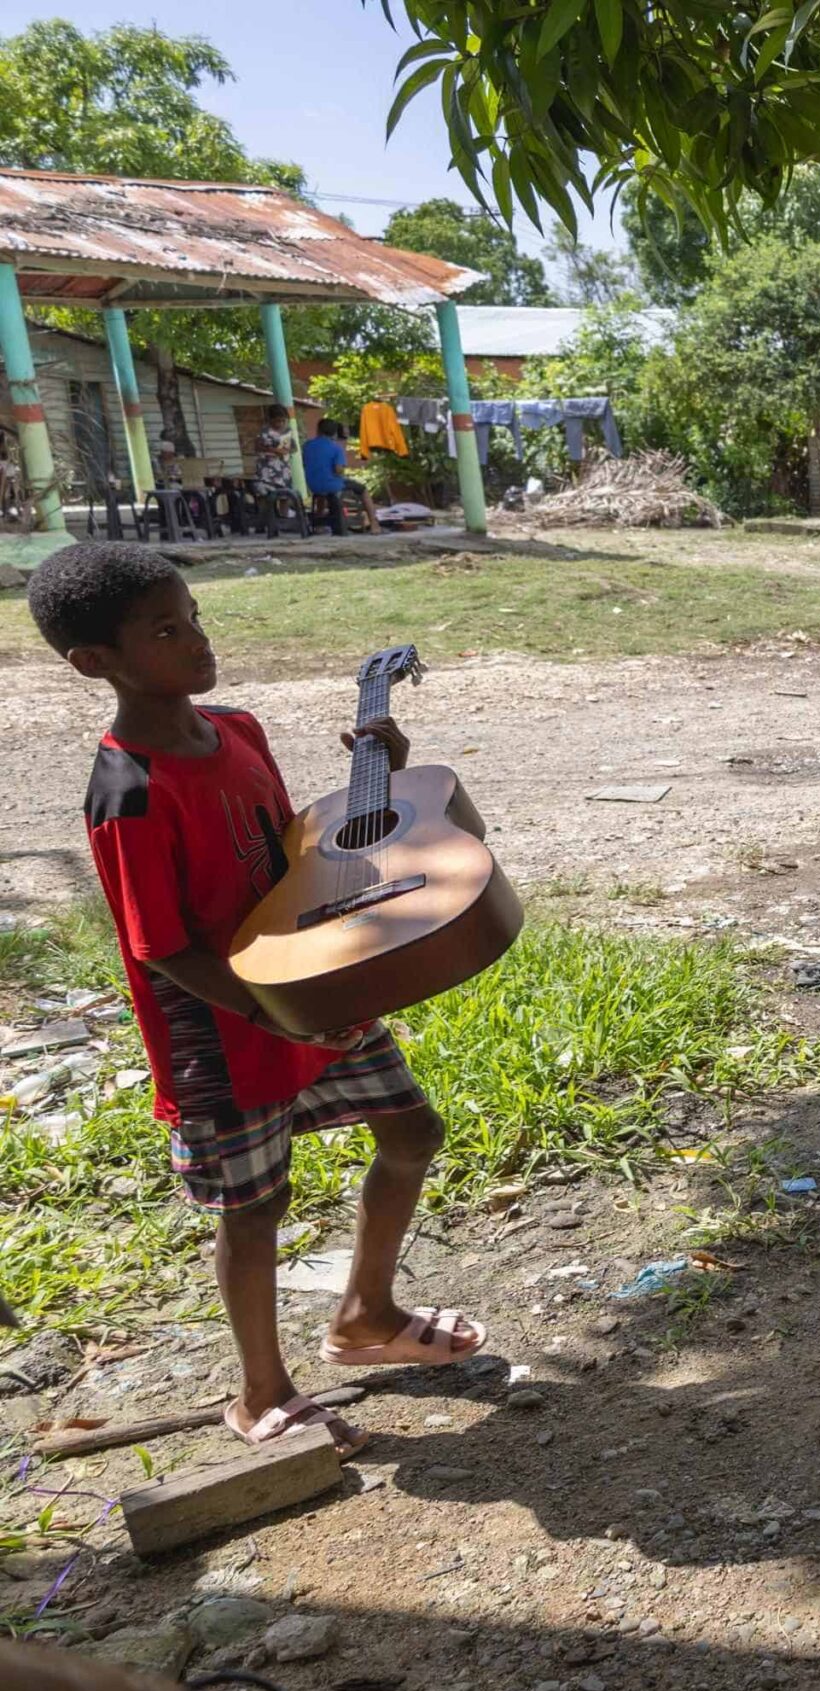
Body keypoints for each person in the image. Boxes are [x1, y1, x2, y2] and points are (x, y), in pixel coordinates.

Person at [25, 542, 488, 1458]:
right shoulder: (129, 794)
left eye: (193, 614)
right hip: (224, 1030)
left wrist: (377, 777)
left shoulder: (236, 727)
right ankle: (260, 1393)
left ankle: (366, 1314)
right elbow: (164, 948)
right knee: (254, 1208)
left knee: (411, 1131)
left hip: (310, 984)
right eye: (166, 629)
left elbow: (284, 849)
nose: (196, 639)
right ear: (96, 662)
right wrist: (275, 1008)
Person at [301, 416, 350, 535]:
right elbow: (338, 470)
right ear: (334, 433)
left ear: (318, 430)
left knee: (321, 495)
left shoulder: (307, 445)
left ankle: (319, 525)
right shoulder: (336, 448)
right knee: (362, 490)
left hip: (313, 485)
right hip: (332, 485)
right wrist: (343, 470)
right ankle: (374, 524)